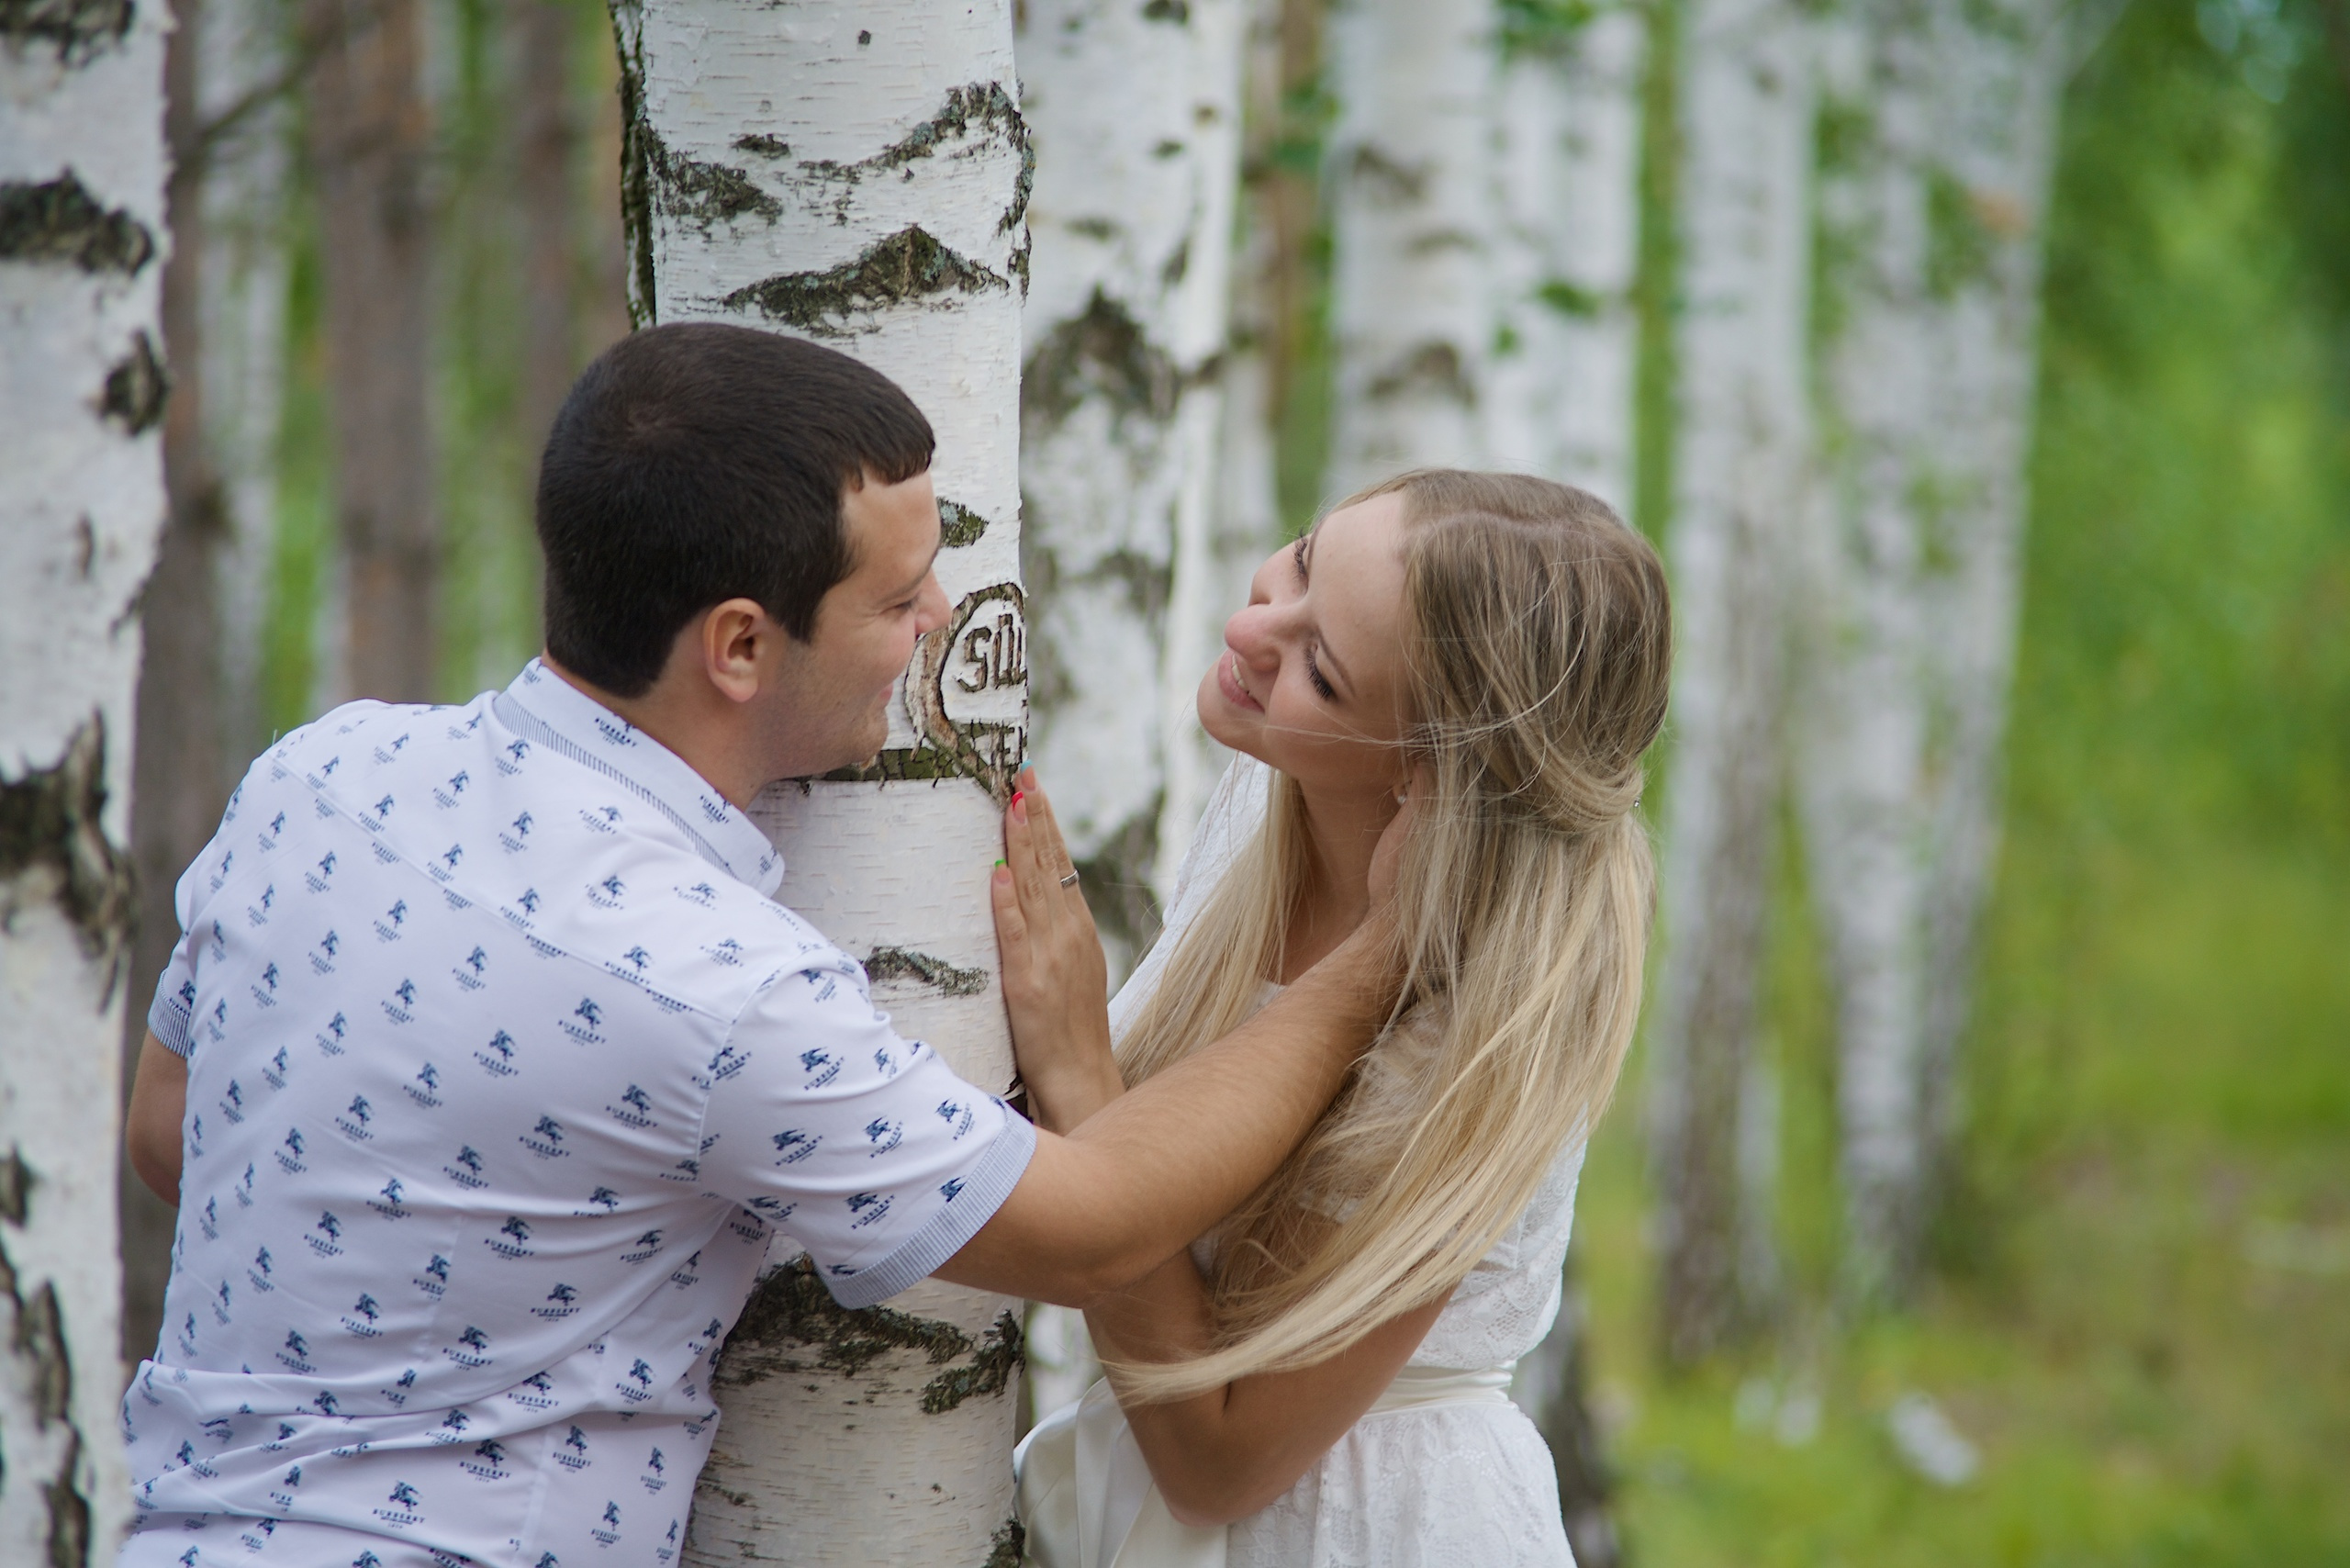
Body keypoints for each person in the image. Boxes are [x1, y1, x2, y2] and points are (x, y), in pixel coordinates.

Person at [116, 322, 1408, 1568]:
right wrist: (1371, 968)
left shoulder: (324, 770)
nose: (940, 621)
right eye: (900, 599)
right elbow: (1096, 1230)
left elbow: (172, 1132)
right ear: (741, 645)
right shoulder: (713, 983)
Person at [994, 470, 1672, 1567]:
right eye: (1303, 559)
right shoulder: (1282, 796)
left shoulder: (1470, 1025)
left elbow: (1221, 1461)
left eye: (1319, 668)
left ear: (1426, 775)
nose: (1248, 625)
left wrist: (1080, 1075)